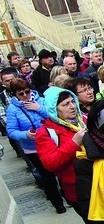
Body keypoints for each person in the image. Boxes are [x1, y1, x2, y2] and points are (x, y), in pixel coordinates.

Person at [6, 78, 66, 213]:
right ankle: (58, 204)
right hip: (32, 148)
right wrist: (26, 134)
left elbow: (54, 115)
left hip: (51, 142)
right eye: (21, 93)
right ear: (15, 94)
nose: (25, 95)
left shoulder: (40, 100)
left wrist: (38, 108)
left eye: (27, 92)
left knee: (60, 169)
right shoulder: (12, 109)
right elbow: (11, 131)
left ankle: (65, 194)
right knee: (47, 175)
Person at [36, 87, 87, 213]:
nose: (72, 106)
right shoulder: (46, 133)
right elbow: (50, 163)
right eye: (65, 104)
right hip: (79, 191)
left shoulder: (85, 120)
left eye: (72, 102)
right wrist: (74, 143)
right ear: (54, 109)